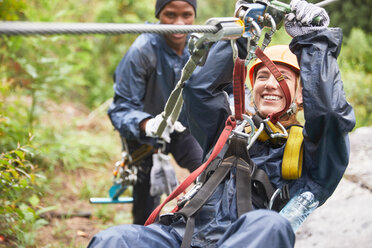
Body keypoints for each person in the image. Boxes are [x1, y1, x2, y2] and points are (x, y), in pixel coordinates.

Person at [88, 0, 356, 247]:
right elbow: (199, 90)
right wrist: (242, 31)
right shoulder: (229, 131)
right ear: (252, 88)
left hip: (243, 239)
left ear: (301, 94)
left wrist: (314, 42)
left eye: (283, 77)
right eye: (262, 76)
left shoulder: (309, 155)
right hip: (182, 235)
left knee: (272, 225)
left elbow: (330, 117)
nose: (271, 83)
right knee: (115, 240)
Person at [107, 0, 203, 225]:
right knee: (146, 205)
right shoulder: (142, 50)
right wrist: (148, 124)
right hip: (144, 136)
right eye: (170, 15)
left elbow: (225, 87)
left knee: (208, 173)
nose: (179, 23)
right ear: (159, 15)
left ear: (194, 15)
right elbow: (121, 108)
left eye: (187, 15)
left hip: (184, 128)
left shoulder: (200, 46)